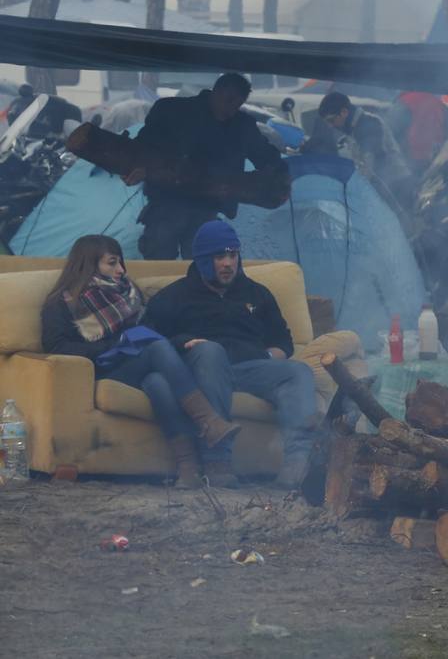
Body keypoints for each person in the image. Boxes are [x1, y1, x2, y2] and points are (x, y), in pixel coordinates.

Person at [144, 220, 362, 490]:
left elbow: (283, 340)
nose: (228, 263)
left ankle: (298, 462)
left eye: (233, 255)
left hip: (250, 369)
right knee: (211, 351)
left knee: (298, 371)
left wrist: (272, 356)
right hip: (203, 371)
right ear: (202, 260)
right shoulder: (174, 296)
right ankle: (217, 462)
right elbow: (150, 338)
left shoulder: (257, 294)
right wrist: (185, 342)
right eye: (219, 256)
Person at [40, 235, 240, 488]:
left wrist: (179, 343)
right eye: (112, 263)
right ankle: (209, 421)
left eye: (121, 262)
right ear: (89, 264)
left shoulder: (129, 293)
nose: (121, 270)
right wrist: (116, 345)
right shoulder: (62, 303)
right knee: (156, 348)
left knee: (158, 382)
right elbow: (56, 347)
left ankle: (187, 467)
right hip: (106, 369)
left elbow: (153, 331)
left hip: (140, 368)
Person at [127, 73, 286, 260]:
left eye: (237, 105)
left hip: (207, 208)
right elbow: (143, 146)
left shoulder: (242, 126)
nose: (231, 110)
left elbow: (266, 156)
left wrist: (282, 174)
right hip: (167, 203)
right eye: (229, 100)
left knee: (204, 266)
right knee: (159, 264)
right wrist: (137, 168)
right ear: (216, 91)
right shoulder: (172, 111)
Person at [316, 91, 415, 206]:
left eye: (331, 120)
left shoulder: (369, 124)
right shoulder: (352, 130)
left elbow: (371, 166)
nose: (331, 125)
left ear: (344, 112)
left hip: (396, 185)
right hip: (383, 186)